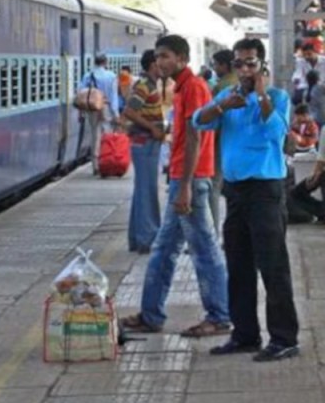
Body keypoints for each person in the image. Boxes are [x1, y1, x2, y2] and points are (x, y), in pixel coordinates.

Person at [193, 37, 300, 362]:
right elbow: (199, 120)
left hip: (265, 192)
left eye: (250, 63)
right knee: (238, 266)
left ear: (262, 65)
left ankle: (283, 338)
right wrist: (223, 105)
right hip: (236, 191)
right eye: (238, 63)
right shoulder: (228, 97)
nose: (243, 69)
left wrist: (261, 94)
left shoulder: (278, 97)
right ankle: (245, 335)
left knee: (272, 265)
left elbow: (275, 133)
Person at [121, 34, 230, 337]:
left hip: (191, 180)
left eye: (166, 56)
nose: (160, 61)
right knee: (163, 249)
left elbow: (196, 137)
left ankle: (219, 316)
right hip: (184, 177)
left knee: (204, 249)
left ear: (182, 59)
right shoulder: (181, 87)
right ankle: (151, 314)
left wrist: (184, 186)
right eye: (158, 56)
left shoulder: (193, 87)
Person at [122, 50, 165, 254]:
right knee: (147, 190)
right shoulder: (144, 85)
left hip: (147, 143)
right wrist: (152, 128)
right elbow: (129, 111)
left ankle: (137, 238)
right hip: (145, 142)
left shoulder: (150, 84)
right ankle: (149, 237)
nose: (163, 65)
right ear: (153, 65)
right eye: (160, 60)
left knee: (142, 190)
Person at [209, 50, 239, 234]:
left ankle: (212, 233)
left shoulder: (223, 86)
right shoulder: (238, 82)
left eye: (216, 64)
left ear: (225, 65)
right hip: (235, 141)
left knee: (213, 186)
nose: (214, 68)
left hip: (221, 139)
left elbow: (215, 116)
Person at [79, 54, 120, 175]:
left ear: (95, 62)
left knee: (95, 135)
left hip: (93, 107)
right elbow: (113, 96)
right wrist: (116, 113)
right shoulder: (111, 76)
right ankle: (106, 161)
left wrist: (81, 111)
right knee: (107, 135)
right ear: (105, 62)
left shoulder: (88, 75)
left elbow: (81, 93)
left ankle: (95, 165)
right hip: (106, 107)